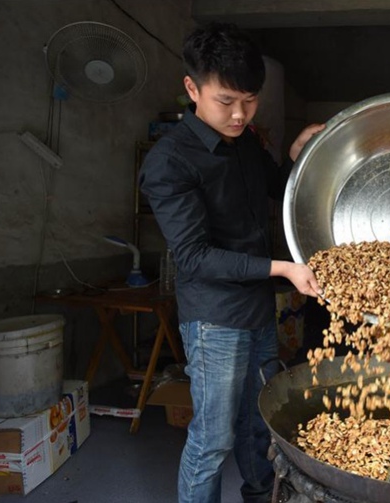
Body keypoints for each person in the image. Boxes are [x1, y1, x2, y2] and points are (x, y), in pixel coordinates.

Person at [139, 22, 325, 503]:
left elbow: (277, 190)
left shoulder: (245, 143)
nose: (240, 115)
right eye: (226, 101)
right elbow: (195, 258)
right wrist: (283, 270)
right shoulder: (169, 163)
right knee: (212, 439)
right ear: (191, 89)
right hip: (214, 319)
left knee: (256, 425)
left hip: (258, 312)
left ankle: (259, 496)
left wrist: (295, 154)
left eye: (250, 100)